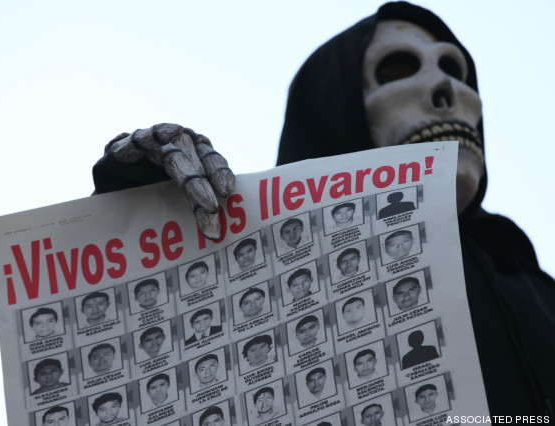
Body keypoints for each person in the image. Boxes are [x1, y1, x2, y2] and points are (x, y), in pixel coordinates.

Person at [93, 2, 555, 416]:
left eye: (456, 70)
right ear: (333, 109)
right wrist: (134, 212)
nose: (448, 91)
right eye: (398, 68)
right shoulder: (270, 277)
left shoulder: (534, 285)